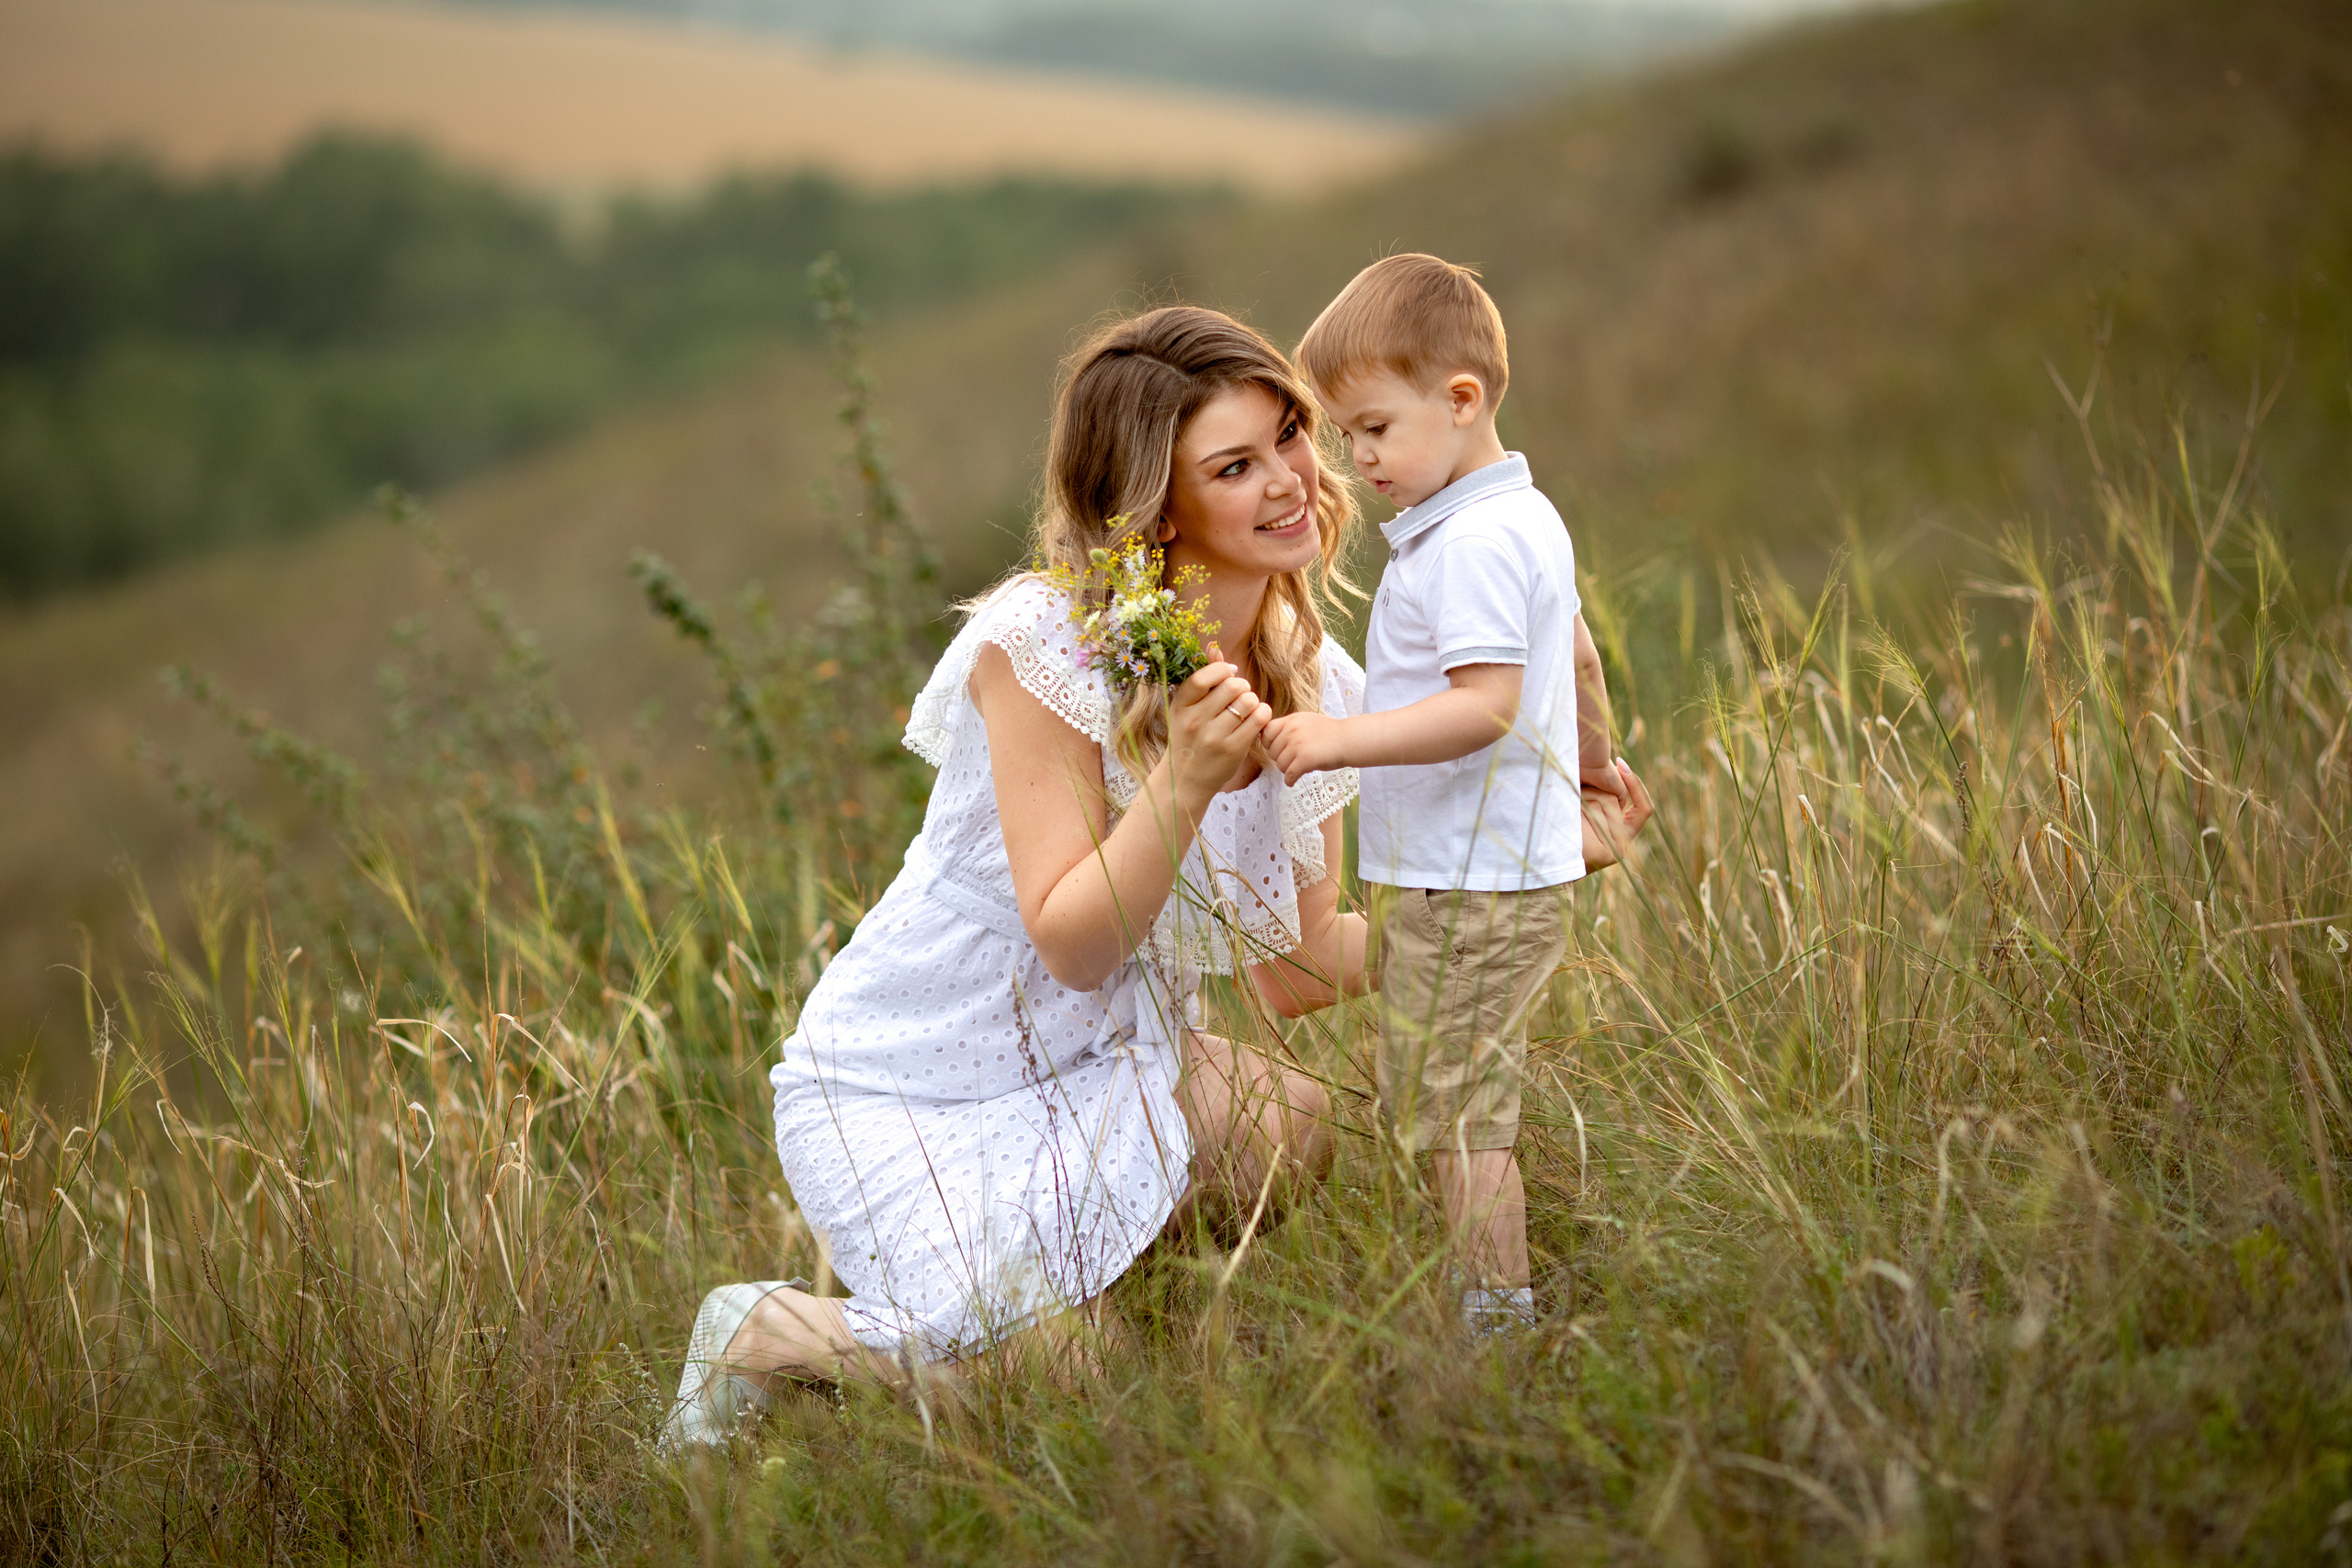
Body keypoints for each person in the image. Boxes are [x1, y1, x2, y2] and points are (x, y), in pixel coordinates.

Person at [663, 305, 1377, 1447]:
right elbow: (1072, 942)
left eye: (1288, 434)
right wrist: (1184, 781)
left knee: (1287, 1120)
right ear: (1157, 512)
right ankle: (770, 1332)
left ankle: (1072, 1315)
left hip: (1101, 1071)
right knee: (1067, 1396)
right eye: (1235, 466)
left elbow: (1295, 967)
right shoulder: (1047, 641)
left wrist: (1508, 895)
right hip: (912, 1091)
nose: (1291, 478)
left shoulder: (1313, 678)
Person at [1265, 253, 1652, 1336]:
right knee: (1442, 1101)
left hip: (1470, 883)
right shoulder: (1518, 517)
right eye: (1346, 436)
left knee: (1460, 1118)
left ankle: (1495, 1324)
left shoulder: (1471, 543)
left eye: (1374, 429)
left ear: (1462, 400)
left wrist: (1338, 740)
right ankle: (1486, 1301)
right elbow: (1574, 655)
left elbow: (1484, 705)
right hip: (1475, 874)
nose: (1357, 459)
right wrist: (1590, 768)